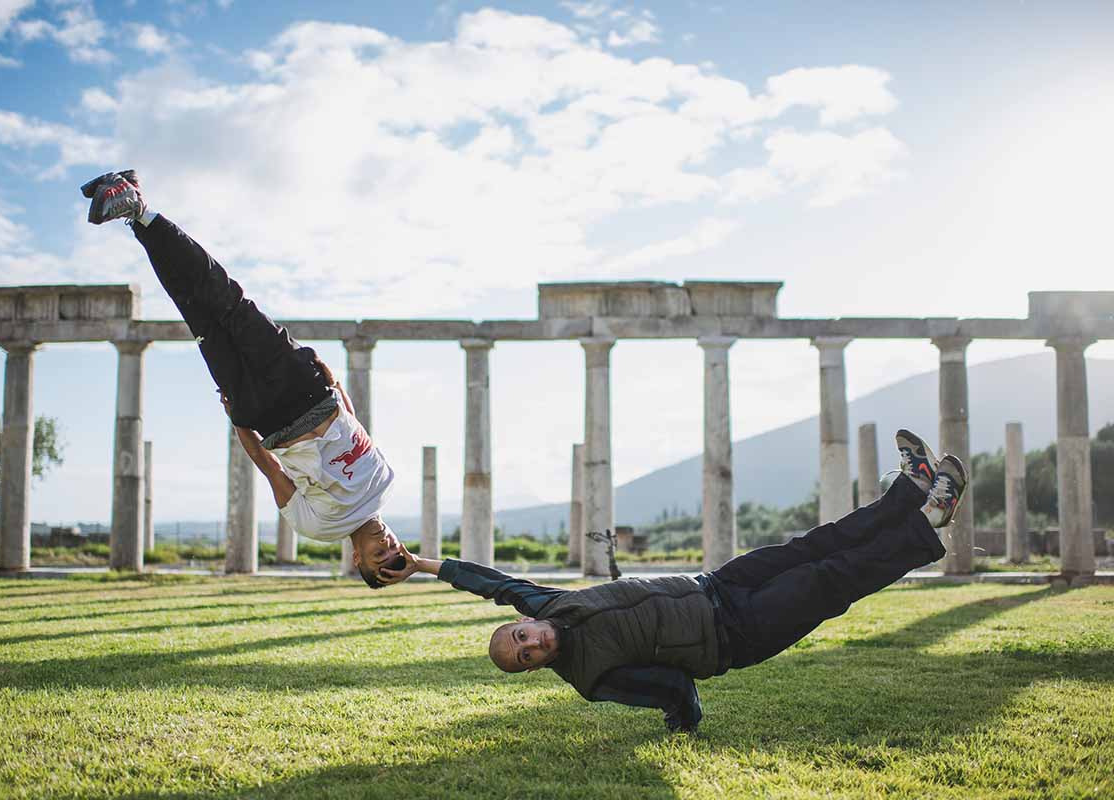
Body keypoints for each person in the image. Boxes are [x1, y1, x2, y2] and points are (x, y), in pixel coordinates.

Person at [381, 430, 967, 733]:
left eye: (520, 638)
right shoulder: (591, 677)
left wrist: (424, 566)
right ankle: (928, 523)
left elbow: (491, 581)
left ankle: (909, 491)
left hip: (713, 585)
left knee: (816, 544)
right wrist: (683, 724)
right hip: (735, 635)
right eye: (527, 658)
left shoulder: (549, 603)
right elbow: (672, 690)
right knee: (828, 577)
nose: (532, 646)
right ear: (535, 666)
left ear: (523, 621)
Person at [81, 170, 408, 587]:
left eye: (379, 553)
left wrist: (239, 420)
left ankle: (134, 213)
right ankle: (140, 208)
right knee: (226, 298)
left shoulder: (319, 529)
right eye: (394, 546)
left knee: (197, 315)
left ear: (357, 556)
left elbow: (269, 467)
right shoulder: (387, 483)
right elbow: (357, 431)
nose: (385, 541)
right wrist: (337, 385)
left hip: (265, 417)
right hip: (308, 390)